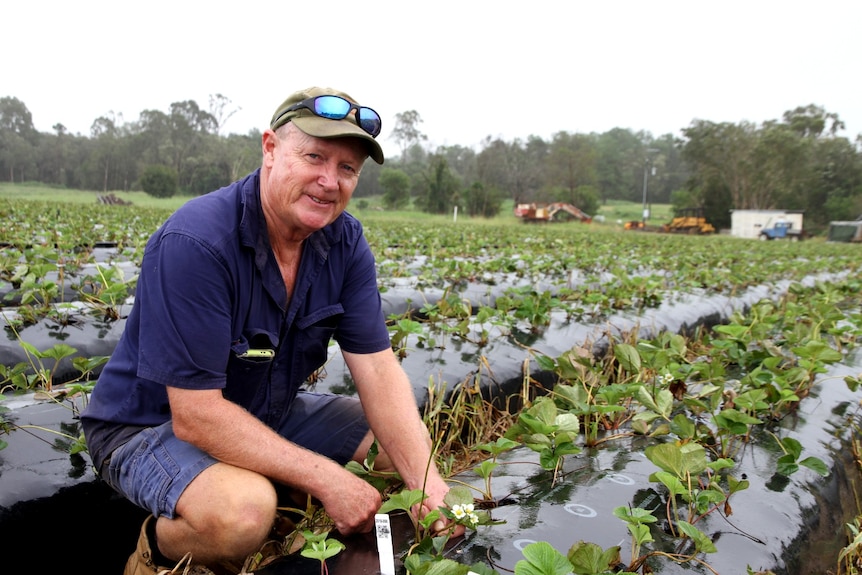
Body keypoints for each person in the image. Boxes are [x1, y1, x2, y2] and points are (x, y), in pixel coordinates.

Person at [81, 86, 459, 574]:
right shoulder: (197, 241)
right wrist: (326, 478)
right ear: (270, 149)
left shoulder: (344, 242)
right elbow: (195, 417)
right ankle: (156, 550)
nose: (329, 180)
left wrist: (426, 482)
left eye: (347, 168)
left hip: (260, 411)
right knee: (241, 514)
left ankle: (300, 504)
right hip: (148, 427)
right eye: (314, 156)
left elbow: (378, 368)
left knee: (400, 449)